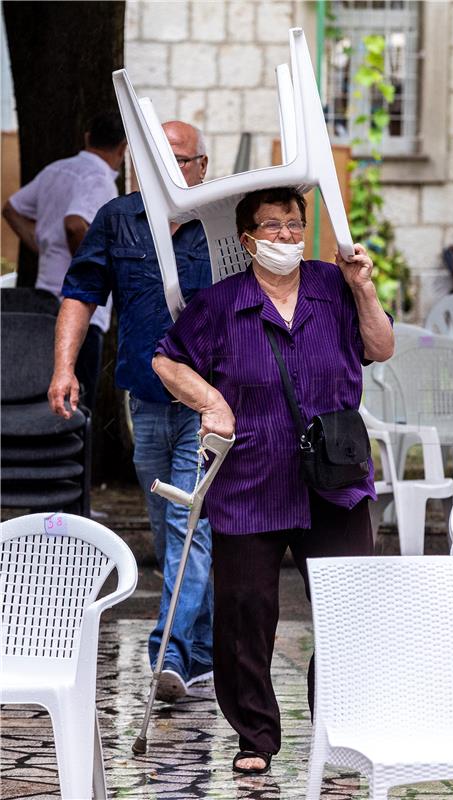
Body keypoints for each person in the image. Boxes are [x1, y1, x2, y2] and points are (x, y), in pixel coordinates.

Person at [152, 186, 395, 775]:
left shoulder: (333, 286)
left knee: (348, 606)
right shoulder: (219, 303)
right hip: (251, 476)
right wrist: (211, 400)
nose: (286, 236)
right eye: (272, 226)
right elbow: (166, 359)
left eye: (294, 224)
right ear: (247, 239)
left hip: (332, 476)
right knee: (244, 612)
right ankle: (255, 738)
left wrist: (363, 285)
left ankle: (339, 728)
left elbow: (381, 347)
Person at [47, 121, 213, 701]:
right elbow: (80, 293)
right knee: (176, 530)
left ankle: (166, 655)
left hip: (206, 406)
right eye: (152, 158)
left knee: (187, 523)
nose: (165, 169)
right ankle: (201, 652)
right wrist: (64, 367)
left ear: (201, 167)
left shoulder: (219, 226)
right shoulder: (118, 218)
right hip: (144, 401)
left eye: (179, 159)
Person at [3, 111, 127, 410]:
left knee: (42, 403)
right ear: (123, 148)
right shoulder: (100, 180)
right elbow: (74, 223)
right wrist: (89, 269)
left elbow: (12, 208)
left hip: (44, 304)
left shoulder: (56, 170)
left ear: (87, 138)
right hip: (79, 313)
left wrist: (42, 245)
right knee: (77, 408)